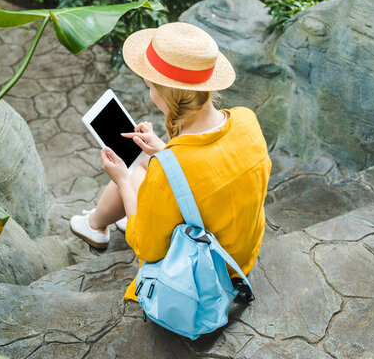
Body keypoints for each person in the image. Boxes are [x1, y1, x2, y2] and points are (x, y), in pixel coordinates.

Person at [69, 22, 272, 302]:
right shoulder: (247, 120)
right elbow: (209, 170)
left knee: (132, 168)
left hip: (203, 278)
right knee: (144, 161)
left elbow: (145, 248)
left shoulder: (171, 167)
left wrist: (123, 180)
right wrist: (163, 150)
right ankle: (96, 224)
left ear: (165, 94)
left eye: (150, 86)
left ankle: (95, 225)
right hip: (239, 256)